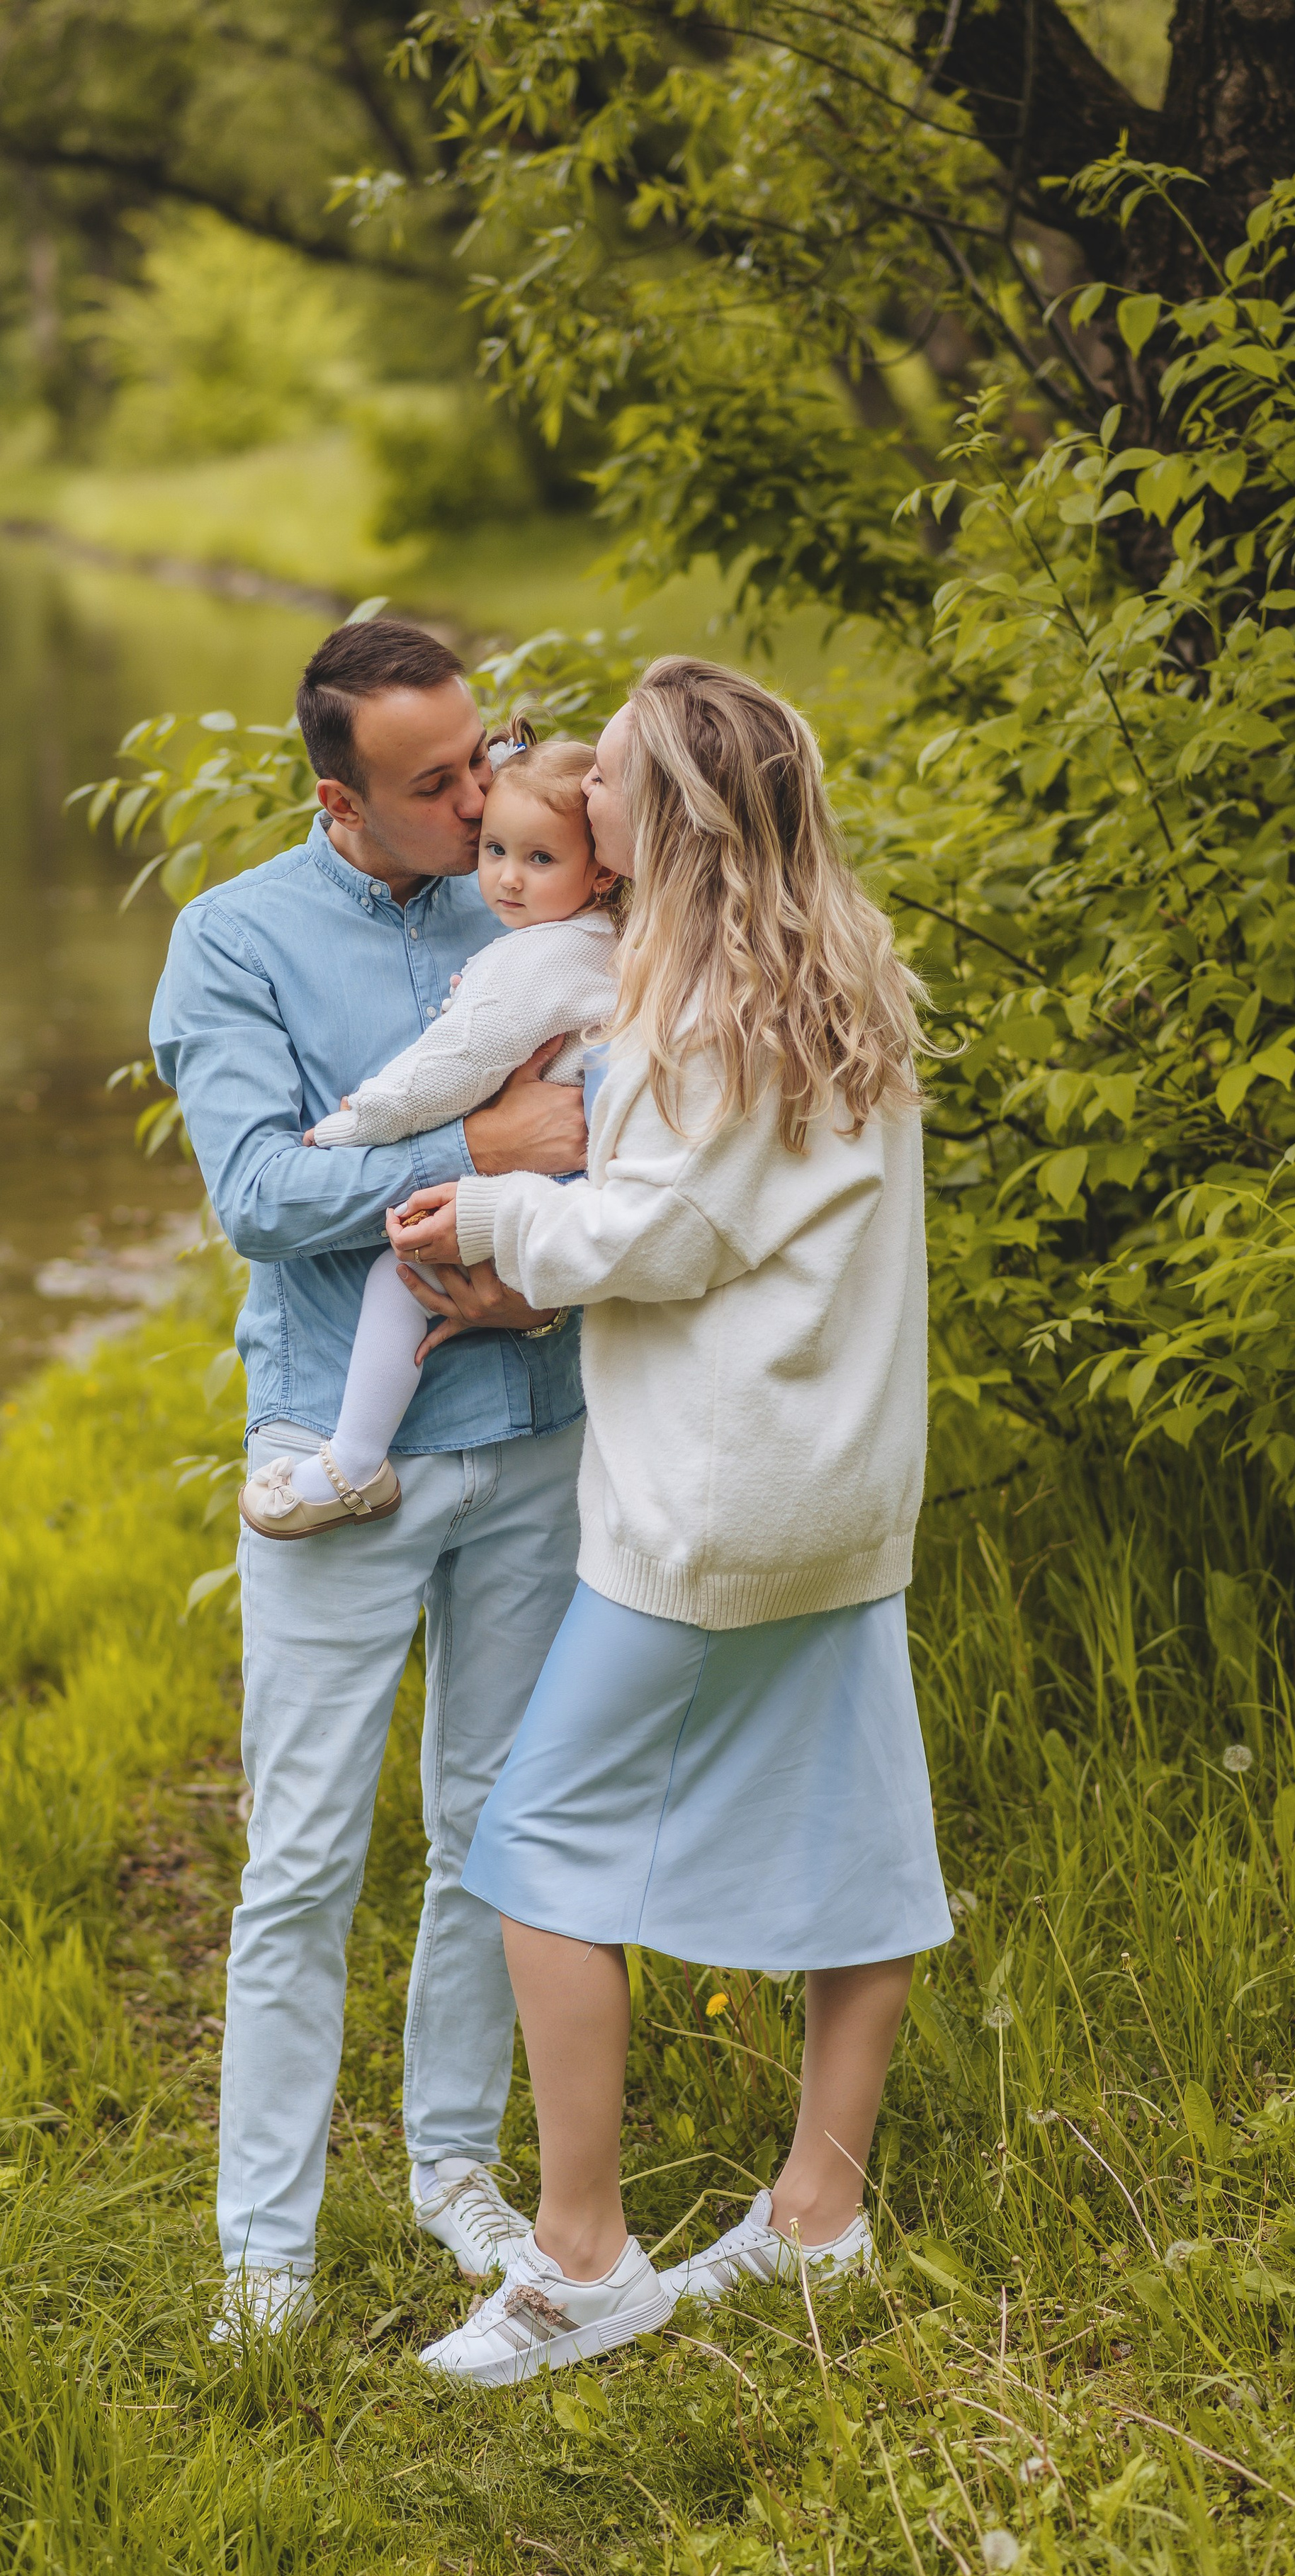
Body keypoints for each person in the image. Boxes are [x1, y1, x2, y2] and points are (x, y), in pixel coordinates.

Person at [386, 656, 953, 2387]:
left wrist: (486, 1214)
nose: (576, 799)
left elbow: (653, 1234)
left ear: (683, 818)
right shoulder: (845, 975)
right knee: (857, 1837)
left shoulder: (701, 1013)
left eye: (614, 778)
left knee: (534, 1846)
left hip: (711, 1508)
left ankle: (579, 2257)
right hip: (841, 1495)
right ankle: (816, 2214)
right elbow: (745, 1237)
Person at [149, 616, 591, 2340]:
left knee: (491, 1826)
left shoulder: (538, 890)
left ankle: (451, 2167)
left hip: (537, 1437)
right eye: (435, 784)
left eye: (481, 758)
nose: (480, 796)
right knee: (305, 1855)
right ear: (342, 799)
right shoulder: (232, 938)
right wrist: (476, 1145)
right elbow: (258, 1195)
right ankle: (264, 2246)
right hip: (337, 1467)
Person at [241, 722, 619, 1539]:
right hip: (571, 1189)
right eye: (494, 851)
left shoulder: (535, 958)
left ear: (602, 870)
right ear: (342, 801)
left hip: (538, 1191)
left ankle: (353, 1456)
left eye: (539, 859)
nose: (507, 880)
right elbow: (255, 1204)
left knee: (400, 1269)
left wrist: (352, 1125)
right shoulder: (605, 942)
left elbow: (450, 1067)